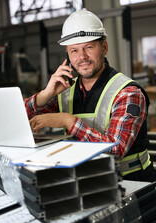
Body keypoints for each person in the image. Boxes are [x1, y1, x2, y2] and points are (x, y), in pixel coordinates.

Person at [25, 9, 155, 182]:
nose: (82, 57)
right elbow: (16, 122)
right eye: (74, 51)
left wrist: (67, 121)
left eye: (88, 47)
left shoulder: (127, 93)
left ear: (104, 47)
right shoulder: (65, 91)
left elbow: (115, 150)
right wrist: (45, 94)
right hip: (87, 180)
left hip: (132, 182)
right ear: (68, 56)